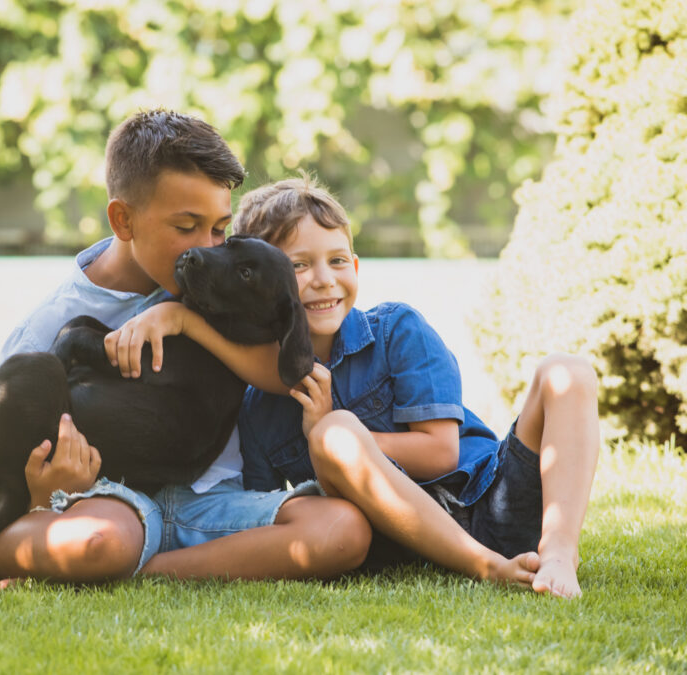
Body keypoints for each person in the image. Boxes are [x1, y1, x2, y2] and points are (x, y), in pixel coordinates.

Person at [0, 110, 371, 585]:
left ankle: (153, 570)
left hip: (212, 504)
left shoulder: (212, 293)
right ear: (123, 221)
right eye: (186, 227)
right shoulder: (48, 326)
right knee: (97, 542)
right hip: (110, 506)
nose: (206, 248)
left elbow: (277, 369)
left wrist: (183, 319)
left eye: (219, 228)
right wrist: (47, 492)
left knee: (343, 529)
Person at [231, 176, 600, 598]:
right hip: (400, 542)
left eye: (336, 261)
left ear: (355, 267)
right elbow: (263, 511)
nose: (323, 279)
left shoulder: (395, 331)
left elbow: (442, 452)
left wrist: (335, 428)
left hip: (491, 499)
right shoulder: (257, 407)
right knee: (333, 435)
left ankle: (557, 553)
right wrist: (323, 442)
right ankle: (483, 565)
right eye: (298, 265)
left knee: (567, 371)